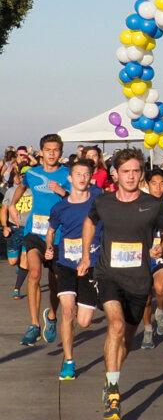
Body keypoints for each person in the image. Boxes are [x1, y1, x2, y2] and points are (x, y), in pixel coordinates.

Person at [79, 149, 163, 420]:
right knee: (116, 325)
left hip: (139, 281)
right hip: (108, 274)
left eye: (136, 171)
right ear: (116, 174)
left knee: (127, 342)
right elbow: (89, 221)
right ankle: (113, 391)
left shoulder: (153, 205)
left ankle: (111, 375)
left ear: (141, 173)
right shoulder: (104, 202)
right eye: (126, 171)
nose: (131, 176)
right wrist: (87, 253)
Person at [44, 159, 101, 380]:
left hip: (92, 264)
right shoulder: (60, 206)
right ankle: (68, 361)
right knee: (67, 311)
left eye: (86, 174)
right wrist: (49, 247)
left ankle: (80, 307)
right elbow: (50, 231)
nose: (82, 178)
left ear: (90, 177)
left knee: (84, 321)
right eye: (78, 174)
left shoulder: (99, 200)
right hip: (66, 263)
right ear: (70, 178)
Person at [14, 134, 71, 347]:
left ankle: (52, 316)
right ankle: (34, 324)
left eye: (56, 150)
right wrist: (12, 204)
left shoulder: (67, 174)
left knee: (55, 279)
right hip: (34, 233)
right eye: (48, 150)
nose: (52, 153)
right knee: (35, 273)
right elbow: (20, 186)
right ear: (41, 152)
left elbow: (76, 198)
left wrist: (62, 192)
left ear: (61, 152)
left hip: (57, 235)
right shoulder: (33, 173)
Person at [139, 169, 163, 350]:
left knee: (160, 288)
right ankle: (147, 330)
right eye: (154, 183)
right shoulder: (139, 204)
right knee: (145, 296)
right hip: (144, 254)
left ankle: (160, 312)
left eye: (162, 184)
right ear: (147, 184)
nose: (158, 188)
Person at [3, 168, 31, 299]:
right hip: (14, 229)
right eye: (23, 175)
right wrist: (4, 226)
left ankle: (16, 289)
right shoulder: (11, 191)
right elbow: (4, 210)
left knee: (25, 260)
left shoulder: (36, 192)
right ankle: (20, 267)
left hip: (29, 229)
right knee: (13, 261)